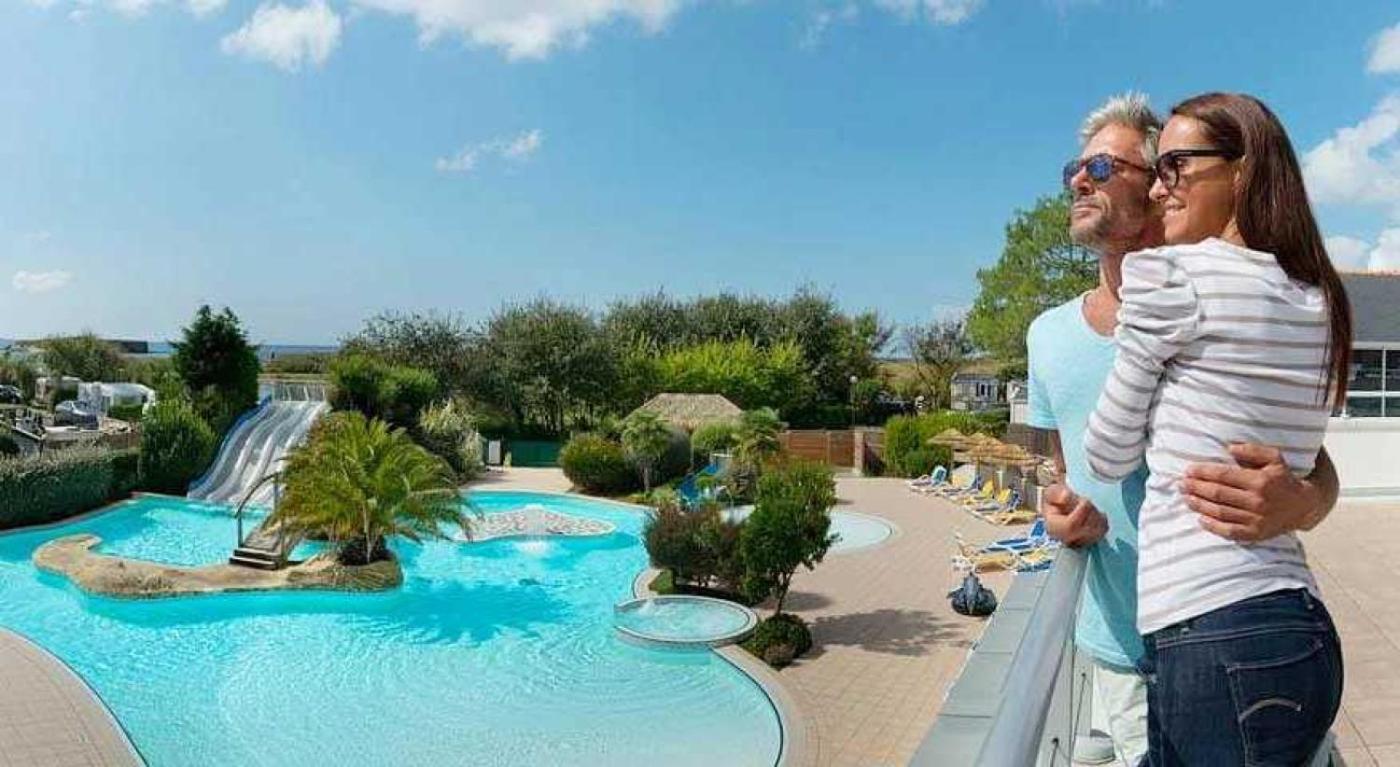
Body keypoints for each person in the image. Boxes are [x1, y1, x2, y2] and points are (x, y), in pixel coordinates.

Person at [1026, 92, 1340, 766]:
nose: (1080, 181)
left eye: (1104, 168)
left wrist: (1306, 501)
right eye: (1073, 170)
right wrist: (1055, 510)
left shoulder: (1182, 286)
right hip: (1130, 638)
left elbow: (1310, 462)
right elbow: (1066, 471)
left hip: (1214, 629)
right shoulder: (1046, 336)